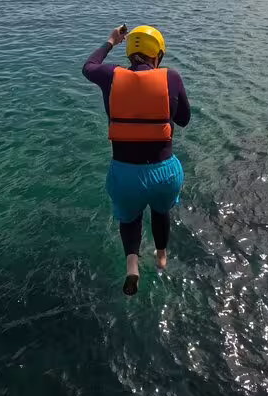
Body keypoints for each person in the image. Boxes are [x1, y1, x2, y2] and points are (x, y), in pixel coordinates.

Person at [82, 25, 191, 296]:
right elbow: (184, 120)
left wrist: (110, 41)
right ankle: (162, 255)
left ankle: (132, 265)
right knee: (160, 211)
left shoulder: (111, 76)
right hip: (164, 173)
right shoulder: (172, 78)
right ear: (159, 55)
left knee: (130, 219)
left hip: (125, 174)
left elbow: (89, 66)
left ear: (130, 52)